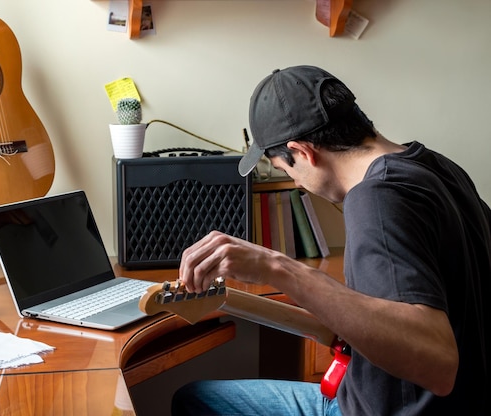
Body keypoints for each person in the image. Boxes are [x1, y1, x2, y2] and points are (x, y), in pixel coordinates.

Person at [172, 65, 490, 415]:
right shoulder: (437, 167)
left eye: (286, 169)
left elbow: (438, 365)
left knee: (194, 402)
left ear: (303, 152)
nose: (295, 183)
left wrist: (277, 267)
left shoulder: (377, 198)